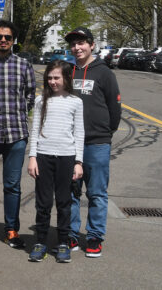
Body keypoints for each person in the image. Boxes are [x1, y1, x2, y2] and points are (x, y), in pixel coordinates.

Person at [65, 26, 121, 259]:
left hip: (96, 143)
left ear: (91, 45)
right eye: (74, 44)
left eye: (82, 43)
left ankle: (95, 236)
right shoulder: (67, 71)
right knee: (71, 191)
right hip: (69, 143)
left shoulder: (104, 73)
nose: (77, 48)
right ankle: (71, 233)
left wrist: (105, 133)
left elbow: (114, 107)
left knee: (96, 192)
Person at [0, 19, 36, 249]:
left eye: (8, 37)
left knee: (13, 185)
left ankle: (11, 230)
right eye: (0, 37)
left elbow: (31, 94)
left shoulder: (24, 65)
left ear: (14, 40)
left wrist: (21, 111)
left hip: (16, 134)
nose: (4, 40)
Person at [27, 60, 84, 263]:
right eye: (49, 78)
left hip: (67, 157)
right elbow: (34, 131)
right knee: (43, 203)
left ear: (67, 78)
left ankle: (63, 243)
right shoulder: (41, 101)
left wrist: (78, 161)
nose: (52, 81)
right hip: (43, 156)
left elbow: (79, 133)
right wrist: (32, 157)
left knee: (64, 203)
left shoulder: (76, 102)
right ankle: (40, 242)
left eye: (56, 77)